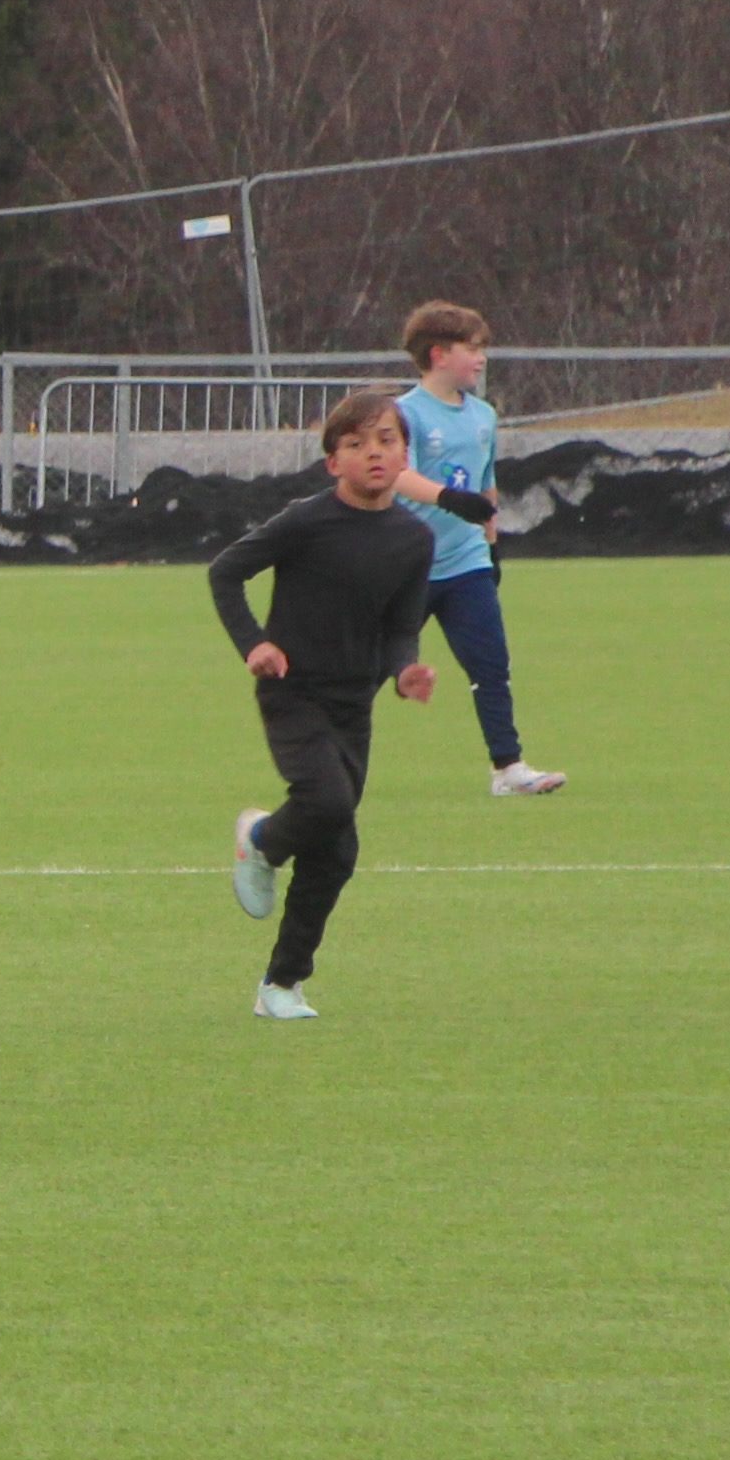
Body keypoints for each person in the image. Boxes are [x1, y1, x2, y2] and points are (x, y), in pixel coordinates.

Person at [213, 387, 440, 1019]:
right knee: (327, 800)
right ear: (332, 462)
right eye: (356, 444)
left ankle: (280, 985)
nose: (374, 454)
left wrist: (403, 672)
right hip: (292, 692)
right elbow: (225, 572)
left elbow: (400, 627)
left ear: (404, 455)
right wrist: (254, 644)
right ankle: (260, 838)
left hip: (353, 703)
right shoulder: (304, 521)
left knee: (338, 850)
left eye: (387, 441)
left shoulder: (413, 540)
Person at [389, 302, 566, 797]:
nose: (482, 358)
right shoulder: (405, 414)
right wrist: (448, 499)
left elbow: (486, 486)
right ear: (439, 354)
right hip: (409, 567)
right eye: (473, 348)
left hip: (466, 564)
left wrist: (492, 547)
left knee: (490, 664)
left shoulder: (484, 416)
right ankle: (329, 758)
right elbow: (399, 476)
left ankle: (508, 769)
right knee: (366, 668)